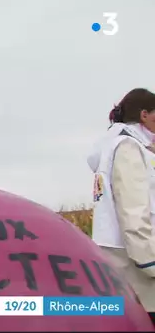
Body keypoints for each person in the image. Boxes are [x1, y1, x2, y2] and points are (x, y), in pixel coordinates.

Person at [87, 88, 155, 324]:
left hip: (119, 259)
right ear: (145, 115)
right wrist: (151, 263)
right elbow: (134, 214)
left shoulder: (114, 145)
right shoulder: (128, 149)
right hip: (138, 267)